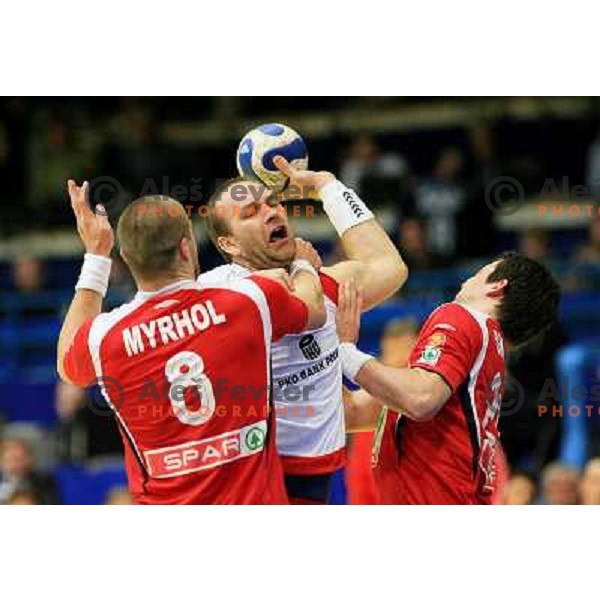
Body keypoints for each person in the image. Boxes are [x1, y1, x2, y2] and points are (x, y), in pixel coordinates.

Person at [56, 181, 326, 504]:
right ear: (187, 248)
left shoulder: (104, 337)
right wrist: (303, 263)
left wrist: (96, 256)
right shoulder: (248, 299)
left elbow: (67, 364)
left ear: (126, 258)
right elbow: (314, 311)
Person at [199, 157, 407, 503]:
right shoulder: (216, 297)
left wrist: (328, 188)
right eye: (250, 212)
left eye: (274, 203)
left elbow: (389, 267)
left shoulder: (320, 285)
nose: (271, 213)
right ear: (229, 245)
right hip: (248, 487)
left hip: (310, 488)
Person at [337, 252, 560, 504]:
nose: (470, 278)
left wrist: (346, 351)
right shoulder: (487, 354)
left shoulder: (464, 318)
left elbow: (420, 399)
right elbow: (353, 411)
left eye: (480, 272)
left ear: (498, 287)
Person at [345, 318, 418, 505]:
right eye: (393, 351)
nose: (399, 357)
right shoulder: (372, 398)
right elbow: (360, 486)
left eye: (405, 349)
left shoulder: (429, 392)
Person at [0, 432, 59, 504]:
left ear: (29, 460)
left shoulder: (43, 482)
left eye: (21, 459)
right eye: (11, 459)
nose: (16, 464)